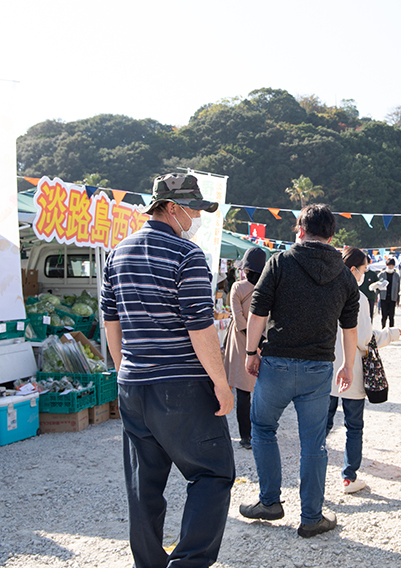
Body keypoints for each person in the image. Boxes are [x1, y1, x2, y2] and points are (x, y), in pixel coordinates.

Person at [101, 173, 235, 568]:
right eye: (193, 208)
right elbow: (199, 325)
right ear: (171, 207)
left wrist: (124, 368)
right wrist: (221, 383)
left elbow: (112, 322)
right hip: (180, 383)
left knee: (144, 483)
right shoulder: (187, 255)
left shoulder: (117, 253)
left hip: (133, 382)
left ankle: (148, 564)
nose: (197, 216)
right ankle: (189, 563)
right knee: (212, 473)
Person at [240, 204, 359, 538]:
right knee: (314, 443)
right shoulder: (345, 274)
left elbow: (258, 312)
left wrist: (251, 352)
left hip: (276, 362)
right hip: (319, 368)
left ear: (299, 229)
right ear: (332, 235)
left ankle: (270, 502)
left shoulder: (280, 262)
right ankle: (311, 517)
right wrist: (347, 365)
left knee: (263, 428)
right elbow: (349, 329)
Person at [326, 247, 401, 494]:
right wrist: (391, 335)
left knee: (321, 425)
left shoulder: (324, 291)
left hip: (325, 368)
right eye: (364, 270)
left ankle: (313, 472)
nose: (365, 275)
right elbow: (363, 339)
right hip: (352, 369)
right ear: (353, 270)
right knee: (353, 425)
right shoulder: (359, 298)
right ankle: (349, 477)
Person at [223, 247, 267, 450]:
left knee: (243, 391)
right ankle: (260, 432)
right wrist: (260, 340)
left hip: (240, 340)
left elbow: (237, 315)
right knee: (261, 390)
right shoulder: (266, 289)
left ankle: (245, 436)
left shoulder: (237, 287)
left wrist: (249, 335)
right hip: (261, 341)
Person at [377, 258, 401, 328]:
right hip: (383, 297)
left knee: (391, 316)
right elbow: (377, 286)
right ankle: (383, 328)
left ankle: (391, 330)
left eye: (392, 266)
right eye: (389, 265)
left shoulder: (396, 275)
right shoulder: (381, 274)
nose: (390, 267)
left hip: (392, 298)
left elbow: (399, 288)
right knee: (384, 316)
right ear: (386, 265)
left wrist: (398, 299)